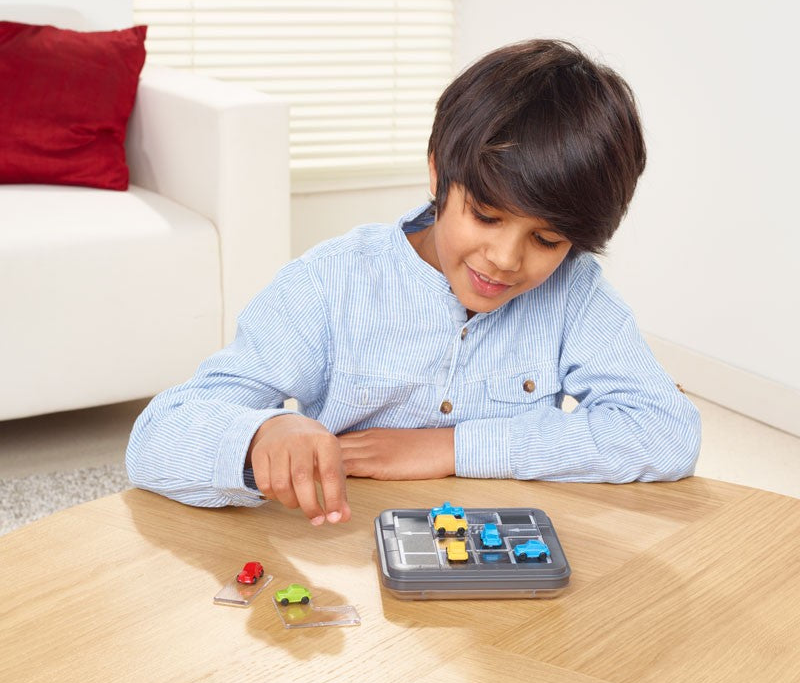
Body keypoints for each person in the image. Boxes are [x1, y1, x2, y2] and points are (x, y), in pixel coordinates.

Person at [126, 39, 701, 525]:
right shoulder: (332, 283)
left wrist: (452, 448)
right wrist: (262, 434)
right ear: (437, 171)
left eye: (546, 240)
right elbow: (155, 439)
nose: (505, 259)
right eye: (486, 215)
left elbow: (667, 432)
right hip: (352, 563)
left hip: (503, 568)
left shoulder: (573, 292)